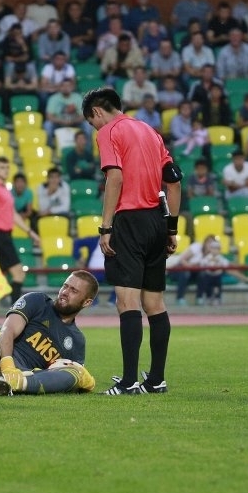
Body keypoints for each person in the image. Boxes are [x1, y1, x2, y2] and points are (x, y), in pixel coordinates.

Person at [82, 87, 182, 395]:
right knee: (155, 303)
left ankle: (128, 382)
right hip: (156, 221)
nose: (95, 129)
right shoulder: (150, 131)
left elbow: (115, 177)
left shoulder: (109, 132)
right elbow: (174, 181)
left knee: (127, 301)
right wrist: (171, 228)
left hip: (129, 221)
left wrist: (106, 227)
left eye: (92, 123)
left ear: (97, 112)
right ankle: (156, 379)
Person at [0, 270, 99, 398]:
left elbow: (68, 374)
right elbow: (8, 330)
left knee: (74, 375)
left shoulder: (77, 340)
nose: (65, 292)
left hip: (22, 374)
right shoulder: (37, 301)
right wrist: (7, 364)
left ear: (86, 302)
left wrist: (82, 377)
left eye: (73, 291)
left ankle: (4, 384)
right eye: (65, 286)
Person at [0, 156, 41, 328]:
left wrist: (30, 232)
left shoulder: (5, 188)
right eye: (2, 167)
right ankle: (15, 318)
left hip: (5, 235)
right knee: (18, 274)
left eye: (7, 167)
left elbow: (13, 214)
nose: (5, 170)